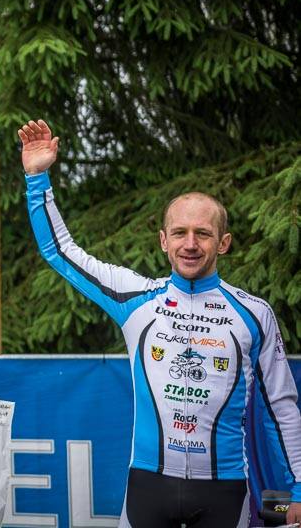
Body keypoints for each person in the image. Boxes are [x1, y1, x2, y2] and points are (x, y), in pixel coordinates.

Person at [19, 118, 301, 527]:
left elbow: (281, 407)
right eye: (180, 232)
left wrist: (298, 489)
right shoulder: (136, 298)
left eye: (203, 234)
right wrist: (37, 178)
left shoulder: (253, 313)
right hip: (148, 489)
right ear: (163, 241)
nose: (191, 244)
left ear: (223, 243)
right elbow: (59, 250)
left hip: (225, 492)